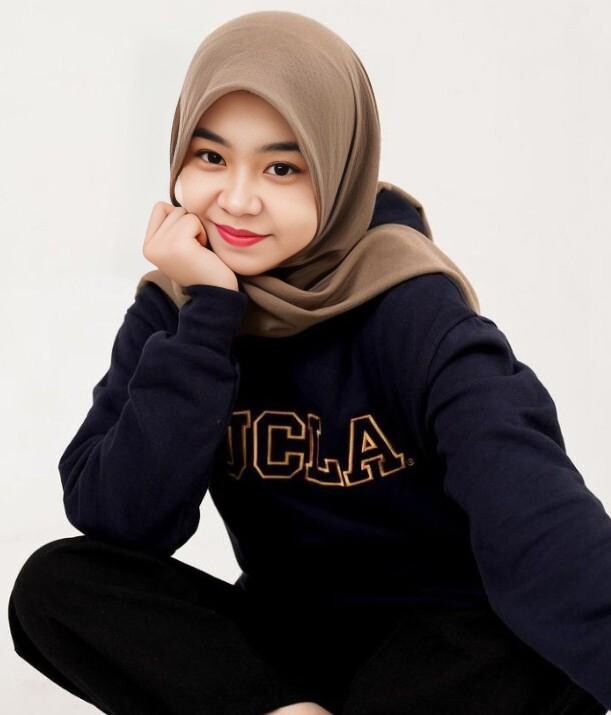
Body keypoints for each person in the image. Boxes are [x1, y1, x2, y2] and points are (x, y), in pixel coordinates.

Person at [7, 9, 611, 715]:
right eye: (210, 157)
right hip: (285, 640)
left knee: (525, 640)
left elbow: (533, 515)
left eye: (282, 167)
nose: (237, 199)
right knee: (53, 585)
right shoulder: (179, 307)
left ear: (337, 167)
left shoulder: (412, 308)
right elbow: (121, 523)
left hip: (443, 639)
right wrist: (208, 317)